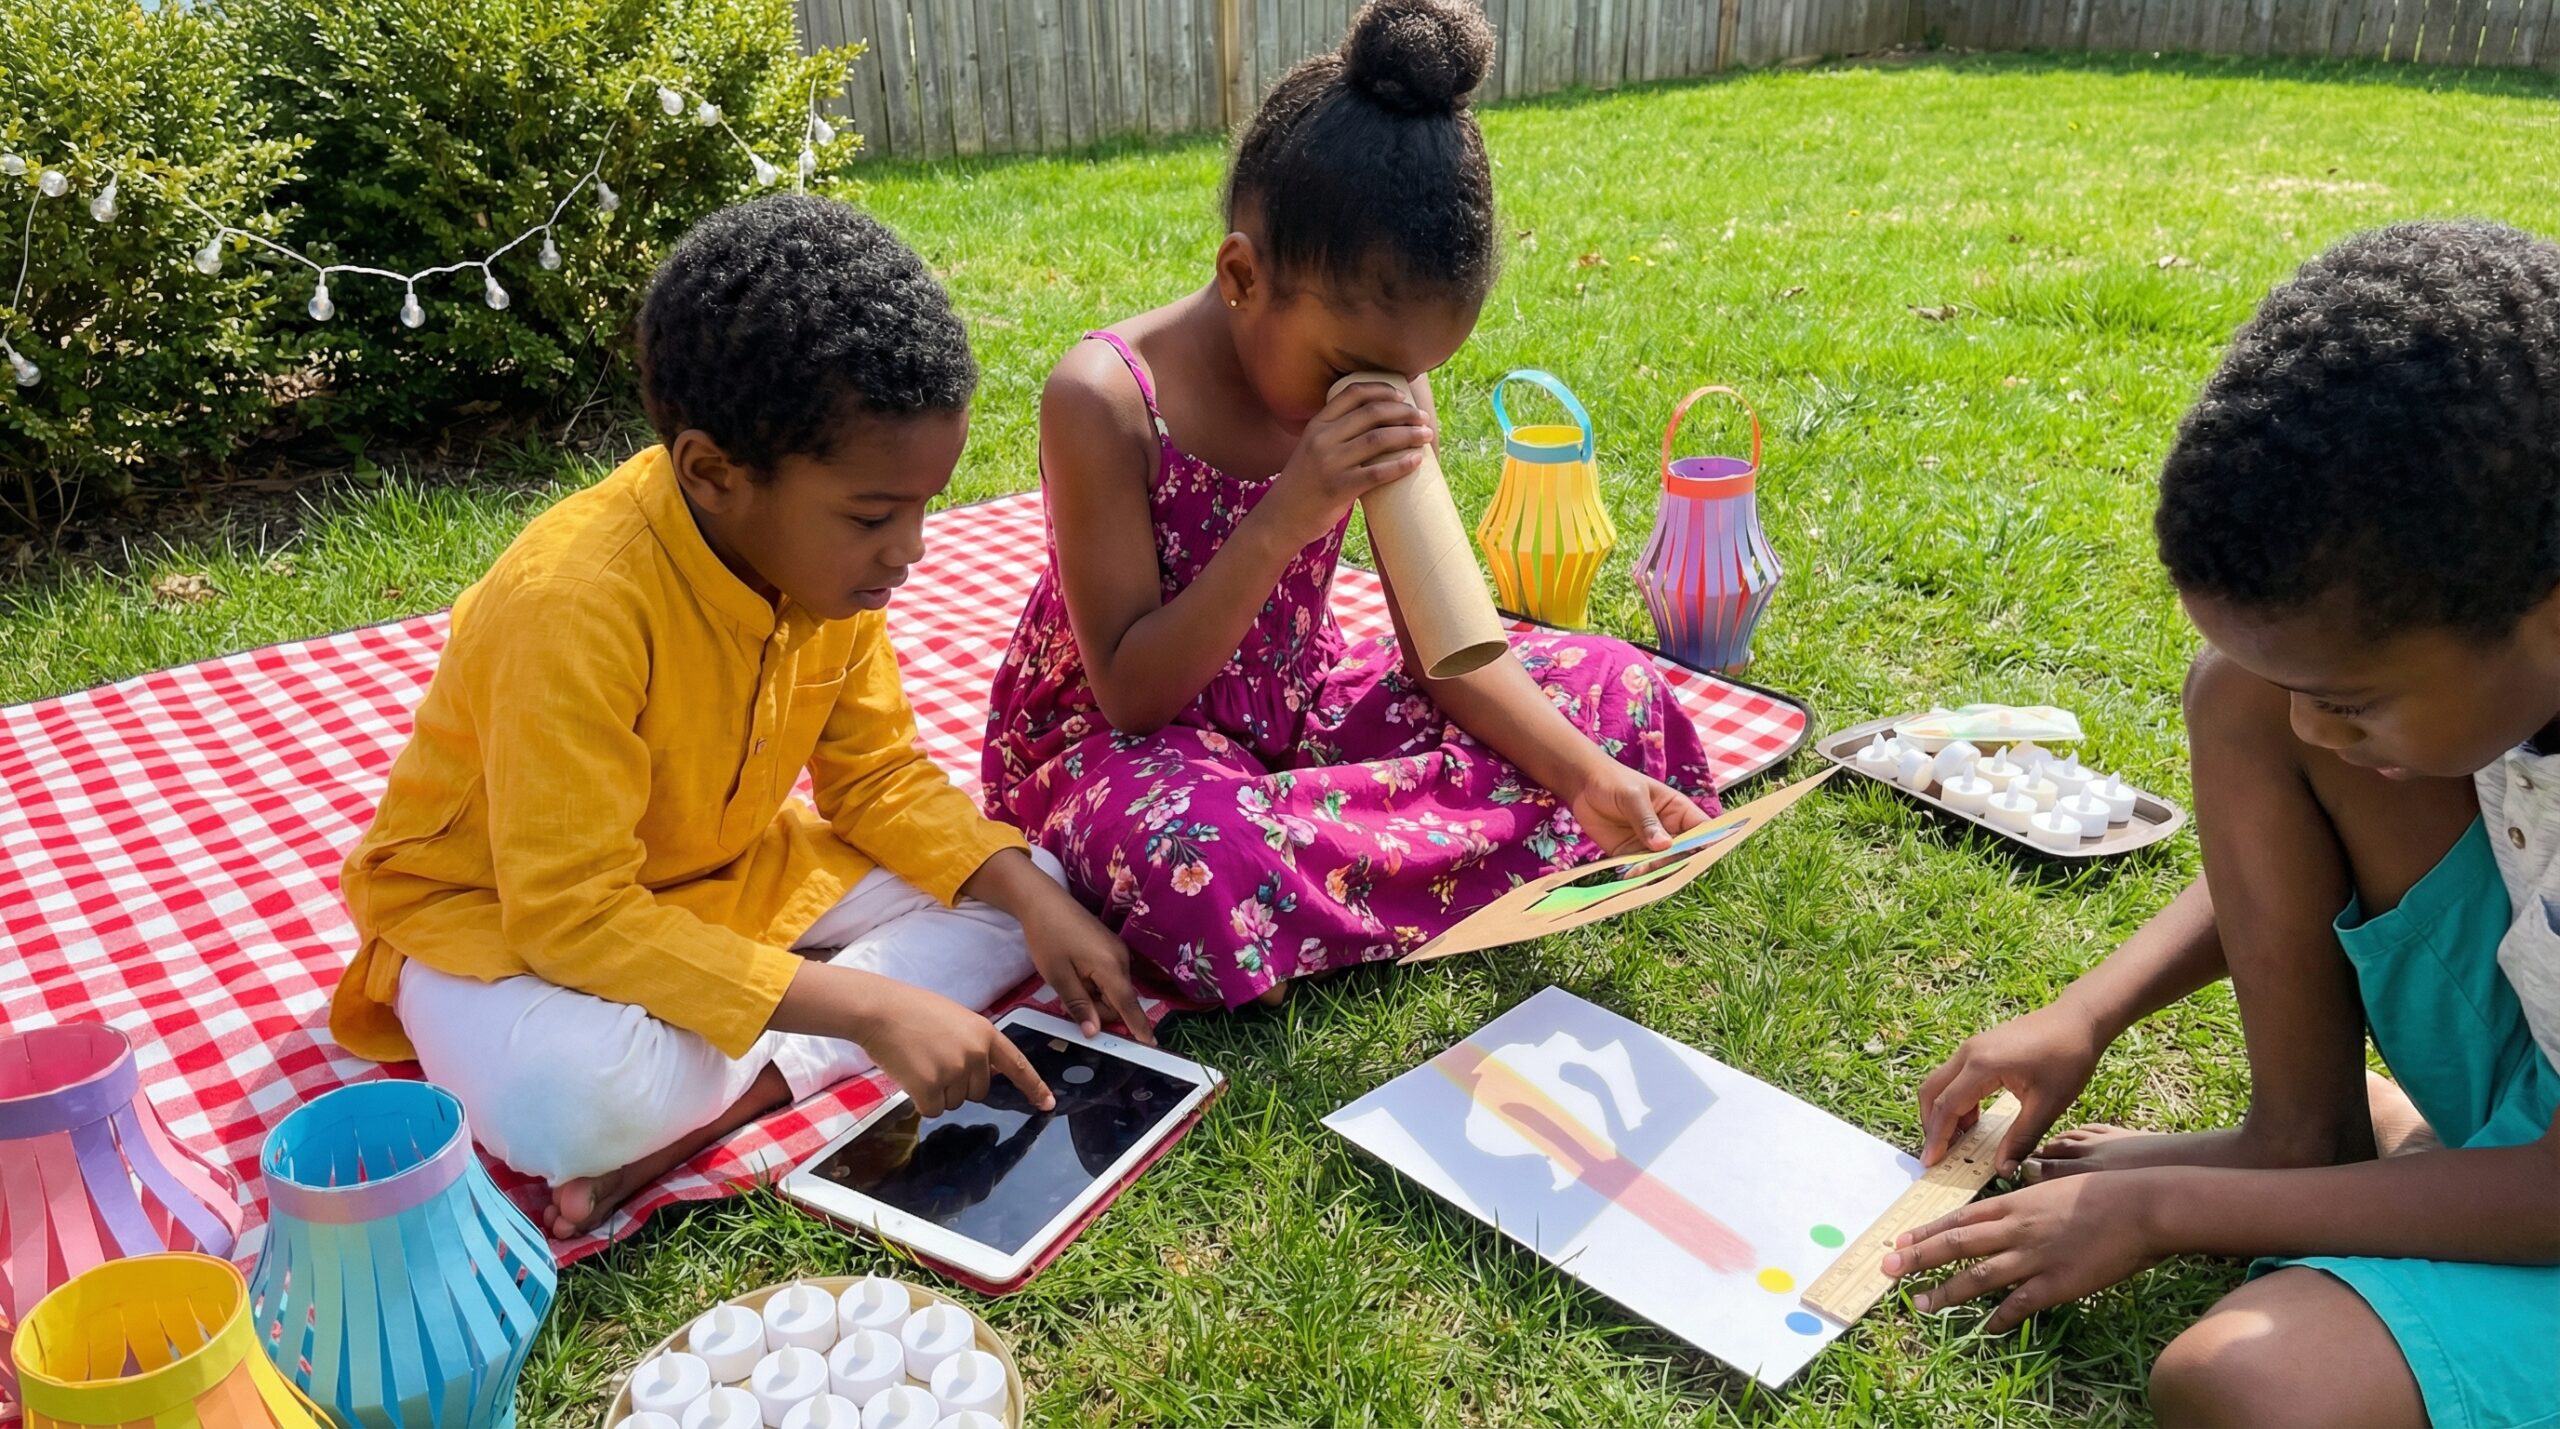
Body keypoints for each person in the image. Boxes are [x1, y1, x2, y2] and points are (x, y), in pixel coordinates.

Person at [332, 195, 1151, 1238]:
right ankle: (741, 1080)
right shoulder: (570, 601)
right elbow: (569, 914)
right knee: (570, 1104)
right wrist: (865, 1007)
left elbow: (878, 778)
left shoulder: (828, 576)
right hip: (488, 921)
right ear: (712, 473)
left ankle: (731, 1094)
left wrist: (1023, 898)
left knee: (1028, 887)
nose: (909, 551)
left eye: (922, 508)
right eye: (870, 516)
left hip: (723, 880)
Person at [1892, 220, 2560, 1429]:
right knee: (2235, 687)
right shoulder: (2497, 656)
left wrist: (2172, 1209)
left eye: (2351, 700)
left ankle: (2391, 1167)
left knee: (2246, 1385)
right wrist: (2085, 1010)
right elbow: (2287, 864)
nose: (2313, 735)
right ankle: (2305, 1138)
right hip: (2538, 1069)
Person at [980, 0, 1720, 1009]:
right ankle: (1408, 848)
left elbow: (1447, 651)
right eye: (1355, 367)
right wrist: (1287, 510)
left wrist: (1584, 774)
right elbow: (1130, 694)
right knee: (1200, 854)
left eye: (1413, 375)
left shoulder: (1385, 369)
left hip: (1294, 705)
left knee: (1616, 695)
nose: (1382, 393)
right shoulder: (1105, 399)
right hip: (1121, 745)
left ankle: (1353, 860)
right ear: (1241, 275)